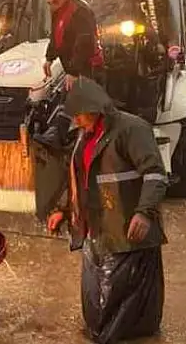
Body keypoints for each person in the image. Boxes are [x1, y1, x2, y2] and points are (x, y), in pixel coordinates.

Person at [46, 78, 167, 344]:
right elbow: (80, 179)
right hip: (94, 233)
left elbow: (156, 175)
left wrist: (144, 213)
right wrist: (64, 211)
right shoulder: (84, 136)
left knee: (118, 325)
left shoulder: (132, 129)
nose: (76, 121)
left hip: (127, 238)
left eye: (78, 115)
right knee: (95, 318)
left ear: (94, 109)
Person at [43, 0, 104, 90]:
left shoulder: (79, 10)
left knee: (84, 106)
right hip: (74, 69)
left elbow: (84, 41)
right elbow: (57, 36)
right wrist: (49, 58)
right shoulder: (57, 9)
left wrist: (73, 72)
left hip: (88, 70)